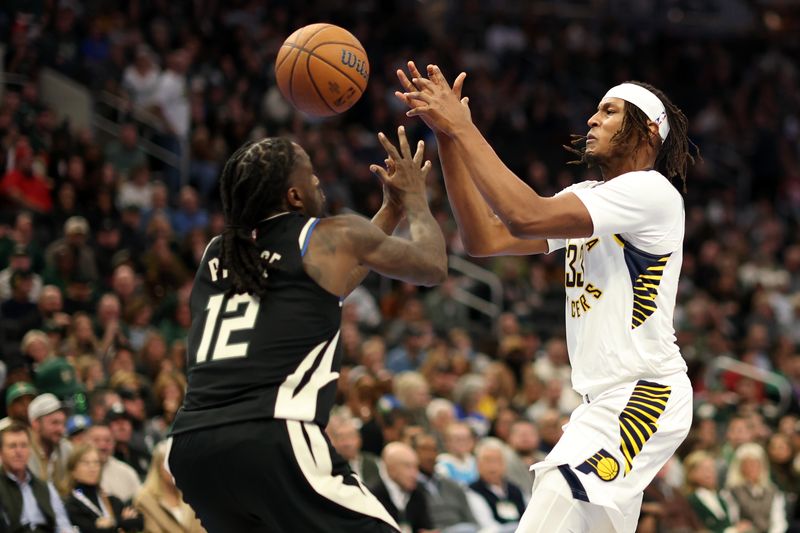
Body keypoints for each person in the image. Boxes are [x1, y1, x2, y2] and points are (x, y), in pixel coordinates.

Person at [397, 61, 697, 532]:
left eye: (609, 111)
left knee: (549, 508)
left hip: (644, 393)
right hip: (602, 399)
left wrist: (463, 125)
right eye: (596, 110)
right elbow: (485, 239)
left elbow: (526, 216)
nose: (592, 119)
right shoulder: (591, 195)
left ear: (646, 132)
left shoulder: (650, 192)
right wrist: (449, 139)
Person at [167, 129, 447, 533]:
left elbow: (333, 280)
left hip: (194, 447)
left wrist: (391, 210)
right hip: (270, 434)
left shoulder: (217, 251)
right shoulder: (328, 235)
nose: (318, 181)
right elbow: (432, 264)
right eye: (309, 174)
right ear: (294, 197)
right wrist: (418, 197)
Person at [0, 423, 75, 532]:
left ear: (30, 450)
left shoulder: (46, 487)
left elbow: (63, 525)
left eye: (24, 445)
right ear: (1, 452)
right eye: (12, 446)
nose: (19, 452)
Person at [63, 444, 143, 533]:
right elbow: (92, 531)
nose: (92, 467)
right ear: (73, 470)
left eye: (96, 462)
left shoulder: (109, 499)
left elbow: (139, 521)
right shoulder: (71, 504)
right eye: (86, 463)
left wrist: (113, 522)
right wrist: (122, 521)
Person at [412, 432, 478, 533]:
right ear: (414, 453)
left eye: (433, 450)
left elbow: (471, 520)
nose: (430, 455)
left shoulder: (453, 485)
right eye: (424, 450)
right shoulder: (411, 487)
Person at [134, 441, 205, 533]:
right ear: (158, 467)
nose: (175, 468)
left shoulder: (189, 493)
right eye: (170, 464)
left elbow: (201, 528)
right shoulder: (144, 499)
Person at [370, 442, 434, 533]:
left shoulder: (418, 493)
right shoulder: (372, 495)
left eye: (416, 467)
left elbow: (425, 526)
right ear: (391, 468)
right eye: (408, 466)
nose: (415, 474)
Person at [465, 438, 525, 532]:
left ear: (504, 464)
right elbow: (487, 526)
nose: (492, 466)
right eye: (487, 460)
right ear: (478, 464)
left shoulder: (516, 489)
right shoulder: (472, 491)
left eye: (497, 460)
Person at [27, 393, 72, 493]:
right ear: (36, 424)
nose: (61, 429)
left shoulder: (67, 449)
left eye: (63, 423)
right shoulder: (22, 451)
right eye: (55, 423)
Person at [86, 423, 142, 504]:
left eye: (107, 440)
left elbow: (140, 502)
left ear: (114, 443)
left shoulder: (127, 472)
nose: (102, 445)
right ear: (84, 442)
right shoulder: (76, 472)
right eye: (96, 440)